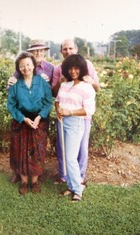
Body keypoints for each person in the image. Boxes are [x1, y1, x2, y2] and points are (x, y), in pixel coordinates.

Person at [52, 39, 99, 185]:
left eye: (71, 48)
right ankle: (64, 175)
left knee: (82, 146)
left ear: (76, 49)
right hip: (64, 115)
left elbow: (96, 88)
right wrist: (59, 82)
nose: (68, 51)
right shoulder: (58, 68)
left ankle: (80, 176)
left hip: (82, 114)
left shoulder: (87, 64)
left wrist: (92, 82)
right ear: (61, 51)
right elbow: (54, 93)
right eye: (65, 49)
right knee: (62, 146)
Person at [8, 39, 54, 183]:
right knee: (19, 150)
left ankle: (35, 180)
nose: (26, 68)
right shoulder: (17, 78)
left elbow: (48, 98)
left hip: (39, 118)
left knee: (37, 150)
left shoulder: (48, 71)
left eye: (28, 65)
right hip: (22, 119)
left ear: (33, 65)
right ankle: (22, 177)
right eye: (22, 66)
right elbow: (11, 102)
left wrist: (40, 117)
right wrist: (23, 118)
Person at [55, 54, 96, 202]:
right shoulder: (65, 84)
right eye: (70, 68)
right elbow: (58, 100)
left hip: (76, 123)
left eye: (76, 68)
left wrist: (70, 112)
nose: (73, 71)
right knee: (66, 157)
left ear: (82, 69)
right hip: (62, 122)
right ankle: (72, 186)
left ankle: (78, 189)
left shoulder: (87, 88)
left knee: (71, 158)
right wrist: (58, 111)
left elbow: (89, 110)